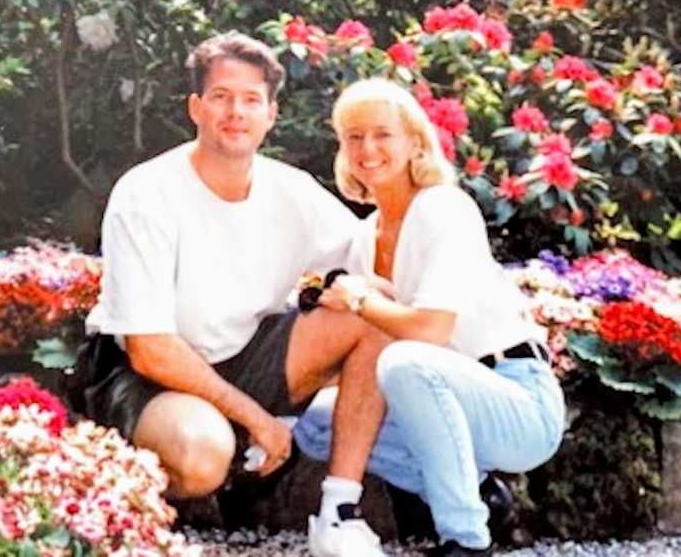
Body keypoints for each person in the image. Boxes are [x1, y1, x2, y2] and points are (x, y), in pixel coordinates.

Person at [79, 33, 393, 557]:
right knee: (201, 455)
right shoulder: (146, 194)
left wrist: (338, 287)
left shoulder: (291, 190)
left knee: (375, 315)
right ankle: (180, 495)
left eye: (251, 100)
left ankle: (339, 511)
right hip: (147, 376)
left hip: (249, 353)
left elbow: (371, 259)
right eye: (221, 97)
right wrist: (257, 419)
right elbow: (150, 349)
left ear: (271, 114)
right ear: (195, 108)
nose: (236, 112)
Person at [293, 78, 566, 557]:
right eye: (354, 137)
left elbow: (430, 331)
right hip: (439, 399)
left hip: (516, 399)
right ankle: (480, 494)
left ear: (415, 141)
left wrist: (358, 299)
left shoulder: (444, 208)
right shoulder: (364, 236)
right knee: (314, 423)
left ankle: (466, 539)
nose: (367, 148)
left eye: (382, 134)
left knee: (405, 363)